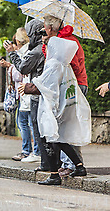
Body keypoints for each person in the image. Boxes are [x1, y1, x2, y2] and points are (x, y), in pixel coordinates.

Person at [20, 36, 90, 185]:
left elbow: (45, 85)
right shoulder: (65, 65)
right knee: (60, 139)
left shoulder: (54, 65)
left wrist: (27, 88)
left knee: (49, 138)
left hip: (53, 107)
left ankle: (53, 174)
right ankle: (79, 166)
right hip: (64, 105)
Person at [43, 15, 87, 177]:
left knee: (68, 125)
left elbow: (70, 64)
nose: (43, 30)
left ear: (50, 28)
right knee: (62, 126)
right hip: (67, 84)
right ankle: (71, 163)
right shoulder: (59, 40)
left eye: (45, 27)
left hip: (73, 85)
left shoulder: (67, 41)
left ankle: (74, 164)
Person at [4, 19, 48, 171]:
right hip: (34, 90)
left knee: (35, 125)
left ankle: (41, 157)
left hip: (35, 91)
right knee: (35, 124)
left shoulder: (36, 51)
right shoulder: (37, 49)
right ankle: (44, 158)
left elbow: (23, 68)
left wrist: (12, 54)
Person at [0, 28, 40, 162]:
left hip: (27, 92)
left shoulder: (28, 52)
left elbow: (21, 71)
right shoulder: (27, 52)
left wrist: (10, 65)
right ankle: (30, 150)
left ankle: (32, 151)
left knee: (27, 123)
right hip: (24, 93)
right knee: (28, 123)